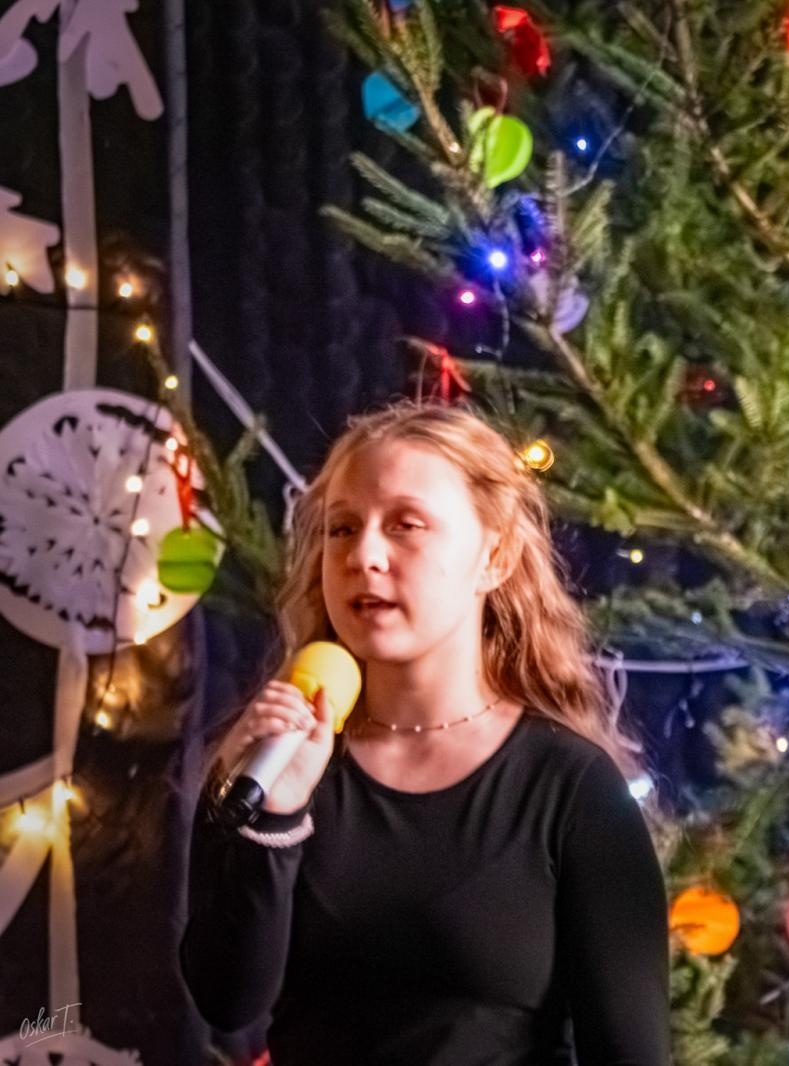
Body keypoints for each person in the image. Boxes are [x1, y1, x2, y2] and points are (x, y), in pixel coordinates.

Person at [182, 403, 670, 1065]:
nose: (363, 555)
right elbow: (227, 1000)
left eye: (406, 524)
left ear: (493, 557)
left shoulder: (571, 789)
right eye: (342, 528)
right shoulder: (271, 770)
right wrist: (271, 821)